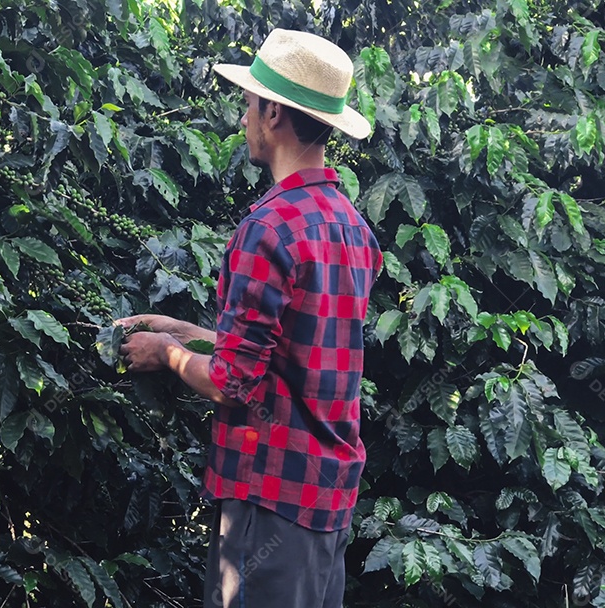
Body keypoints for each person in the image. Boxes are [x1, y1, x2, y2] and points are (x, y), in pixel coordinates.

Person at [115, 29, 383, 608]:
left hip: (272, 498)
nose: (243, 118)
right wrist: (188, 333)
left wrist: (166, 354)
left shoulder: (270, 227)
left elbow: (235, 382)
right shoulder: (351, 228)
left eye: (249, 103)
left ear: (274, 112)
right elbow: (297, 353)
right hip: (325, 500)